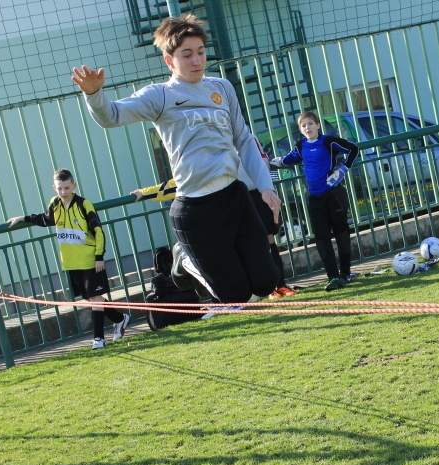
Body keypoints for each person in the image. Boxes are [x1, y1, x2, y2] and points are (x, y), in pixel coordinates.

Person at [72, 13, 280, 305]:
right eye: (186, 55)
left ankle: (201, 261)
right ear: (170, 61)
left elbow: (244, 140)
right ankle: (183, 258)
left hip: (235, 197)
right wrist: (94, 94)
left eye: (200, 52)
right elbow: (113, 116)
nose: (196, 61)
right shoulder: (160, 96)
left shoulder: (221, 88)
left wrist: (265, 185)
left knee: (266, 282)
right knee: (235, 294)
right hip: (196, 208)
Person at [132, 141, 297, 300]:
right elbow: (174, 185)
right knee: (229, 285)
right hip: (207, 216)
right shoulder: (199, 160)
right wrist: (146, 192)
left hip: (238, 204)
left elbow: (259, 163)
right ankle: (188, 261)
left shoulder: (239, 142)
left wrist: (267, 188)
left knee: (259, 278)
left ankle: (272, 287)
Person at [7, 168, 129, 350]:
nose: (63, 192)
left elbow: (98, 231)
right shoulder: (55, 203)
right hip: (70, 261)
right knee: (90, 298)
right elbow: (46, 219)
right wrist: (23, 218)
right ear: (54, 187)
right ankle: (120, 319)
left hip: (89, 259)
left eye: (66, 188)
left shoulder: (84, 204)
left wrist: (99, 257)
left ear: (74, 186)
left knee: (95, 297)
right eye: (59, 188)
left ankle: (98, 339)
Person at [270, 111, 359, 291]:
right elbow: (288, 159)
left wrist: (341, 169)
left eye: (310, 124)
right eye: (304, 126)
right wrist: (269, 162)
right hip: (315, 198)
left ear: (318, 125)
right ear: (300, 130)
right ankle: (333, 276)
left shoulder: (328, 141)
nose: (307, 128)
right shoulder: (301, 145)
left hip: (333, 195)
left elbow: (353, 149)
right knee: (321, 238)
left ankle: (346, 273)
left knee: (341, 232)